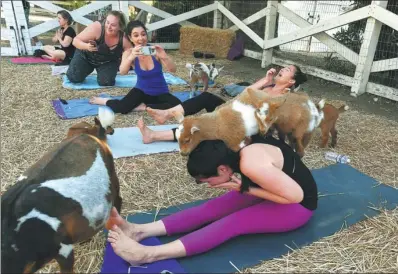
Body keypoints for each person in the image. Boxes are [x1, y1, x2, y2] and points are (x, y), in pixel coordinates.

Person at [105, 134, 318, 265]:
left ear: (223, 168)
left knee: (235, 222)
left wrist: (245, 188)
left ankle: (148, 255)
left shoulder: (251, 164)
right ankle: (140, 231)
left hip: (298, 206)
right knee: (213, 208)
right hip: (273, 186)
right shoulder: (234, 145)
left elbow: (295, 196)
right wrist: (244, 187)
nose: (209, 185)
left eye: (206, 180)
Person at [138, 65, 307, 144]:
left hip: (244, 124)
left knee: (205, 125)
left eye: (287, 70)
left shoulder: (286, 98)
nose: (282, 69)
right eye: (283, 67)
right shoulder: (268, 85)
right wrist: (265, 80)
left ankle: (153, 136)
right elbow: (246, 92)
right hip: (233, 109)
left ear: (291, 81)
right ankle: (167, 114)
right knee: (206, 97)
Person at [89, 20, 180, 112]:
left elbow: (173, 70)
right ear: (130, 38)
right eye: (136, 35)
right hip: (141, 91)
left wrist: (164, 57)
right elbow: (123, 72)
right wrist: (131, 57)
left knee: (178, 106)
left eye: (143, 34)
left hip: (161, 92)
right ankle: (106, 101)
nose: (141, 38)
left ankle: (144, 107)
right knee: (121, 108)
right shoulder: (129, 53)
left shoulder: (155, 51)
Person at [66, 10, 132, 86]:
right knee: (74, 78)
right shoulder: (96, 27)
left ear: (120, 27)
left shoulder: (125, 39)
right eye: (107, 22)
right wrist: (86, 46)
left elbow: (125, 66)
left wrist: (125, 63)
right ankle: (85, 68)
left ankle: (101, 73)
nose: (109, 27)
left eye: (113, 25)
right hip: (86, 56)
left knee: (107, 83)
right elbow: (75, 41)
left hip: (108, 61)